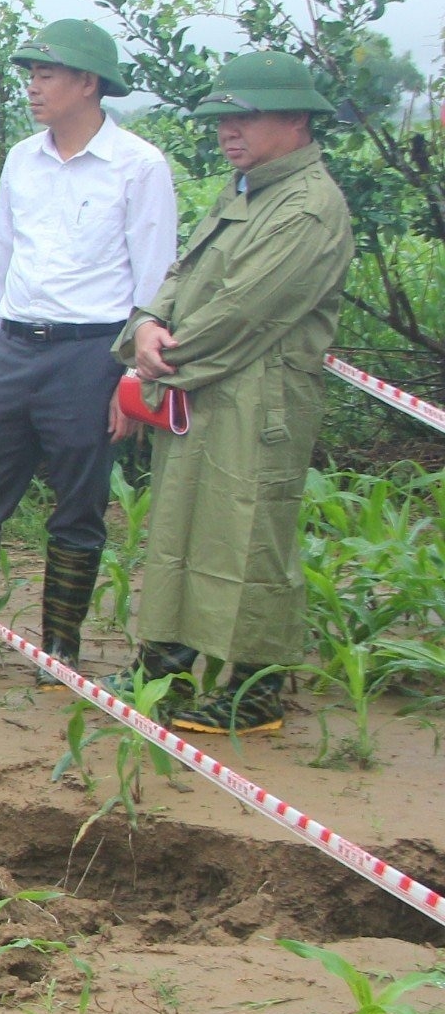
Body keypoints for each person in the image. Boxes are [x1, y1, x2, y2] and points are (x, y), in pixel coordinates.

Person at [0, 21, 174, 678]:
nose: (34, 87)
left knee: (77, 502)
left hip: (91, 354)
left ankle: (61, 649)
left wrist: (131, 377)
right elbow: (4, 255)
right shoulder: (23, 158)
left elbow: (155, 281)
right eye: (31, 75)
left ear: (88, 83)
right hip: (16, 345)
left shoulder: (139, 166)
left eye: (47, 75)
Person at [115, 50, 354, 735]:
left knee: (248, 537)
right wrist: (148, 323)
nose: (229, 130)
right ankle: (163, 664)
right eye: (224, 116)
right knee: (182, 527)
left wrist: (158, 357)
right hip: (205, 391)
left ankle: (254, 691)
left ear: (297, 119)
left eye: (245, 116)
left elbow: (245, 311)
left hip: (259, 400)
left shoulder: (308, 208)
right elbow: (185, 272)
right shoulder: (246, 187)